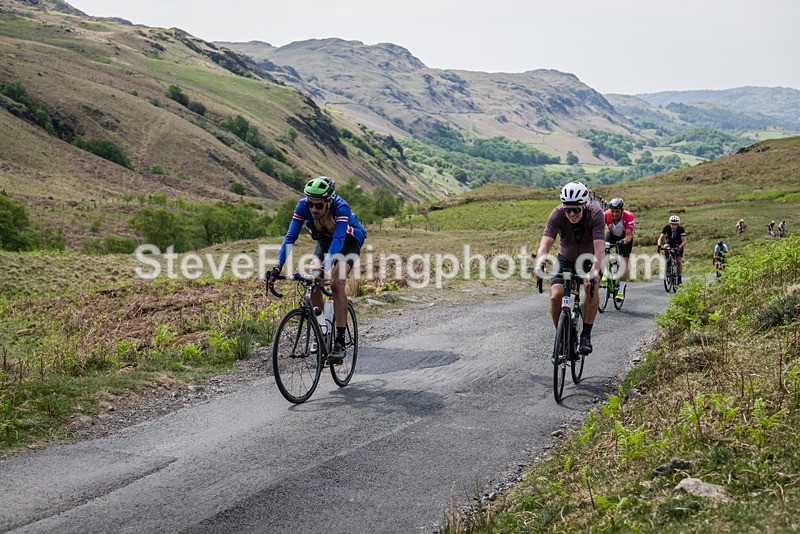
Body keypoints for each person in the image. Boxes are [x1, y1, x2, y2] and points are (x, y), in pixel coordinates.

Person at [266, 176, 367, 363]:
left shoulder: (341, 207)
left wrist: (324, 267)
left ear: (329, 202)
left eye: (319, 206)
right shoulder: (302, 206)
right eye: (311, 204)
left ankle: (339, 341)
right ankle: (321, 331)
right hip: (325, 240)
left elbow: (338, 240)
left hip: (347, 242)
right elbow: (290, 238)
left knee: (336, 283)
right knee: (311, 280)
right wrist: (276, 268)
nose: (313, 209)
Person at [535, 181, 605, 355]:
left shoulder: (595, 214)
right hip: (566, 259)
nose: (571, 214)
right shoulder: (557, 214)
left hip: (589, 259)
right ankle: (562, 336)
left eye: (576, 210)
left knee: (590, 287)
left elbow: (599, 247)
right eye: (568, 209)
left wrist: (595, 270)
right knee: (555, 296)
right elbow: (546, 242)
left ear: (584, 205)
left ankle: (586, 336)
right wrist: (540, 263)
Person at [603, 197, 635, 301]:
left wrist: (623, 242)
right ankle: (605, 272)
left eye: (617, 211)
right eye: (613, 211)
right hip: (612, 235)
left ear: (622, 210)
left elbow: (629, 236)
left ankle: (621, 290)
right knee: (602, 249)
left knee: (624, 262)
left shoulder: (628, 216)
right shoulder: (606, 214)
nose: (615, 214)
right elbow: (599, 228)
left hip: (625, 238)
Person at [657, 215, 687, 285]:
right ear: (670, 224)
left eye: (675, 225)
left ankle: (679, 278)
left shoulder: (681, 229)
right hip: (669, 242)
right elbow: (661, 238)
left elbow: (684, 240)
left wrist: (681, 246)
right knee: (665, 246)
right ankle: (668, 262)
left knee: (678, 262)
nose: (673, 226)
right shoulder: (666, 228)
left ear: (677, 224)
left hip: (678, 244)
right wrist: (658, 245)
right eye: (672, 224)